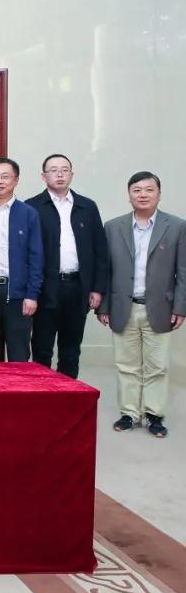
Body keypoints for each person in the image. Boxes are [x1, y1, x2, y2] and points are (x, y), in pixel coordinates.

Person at [98, 172, 186, 438]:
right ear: (129, 195)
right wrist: (104, 307)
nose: (143, 195)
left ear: (159, 194)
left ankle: (154, 415)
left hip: (160, 308)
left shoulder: (177, 226)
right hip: (123, 306)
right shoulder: (113, 227)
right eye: (137, 190)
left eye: (149, 190)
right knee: (126, 365)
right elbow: (105, 270)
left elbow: (183, 271)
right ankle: (129, 413)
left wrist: (180, 307)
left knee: (158, 366)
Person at [27, 154, 109, 378]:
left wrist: (97, 289)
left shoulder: (87, 207)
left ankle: (68, 395)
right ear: (43, 176)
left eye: (64, 170)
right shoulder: (32, 207)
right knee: (42, 349)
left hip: (77, 287)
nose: (60, 174)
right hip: (45, 288)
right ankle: (43, 394)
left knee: (71, 350)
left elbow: (100, 252)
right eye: (53, 170)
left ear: (71, 174)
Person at [0, 158, 44, 362]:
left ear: (16, 181)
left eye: (5, 176)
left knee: (18, 355)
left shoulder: (29, 214)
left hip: (17, 295)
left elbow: (36, 257)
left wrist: (32, 295)